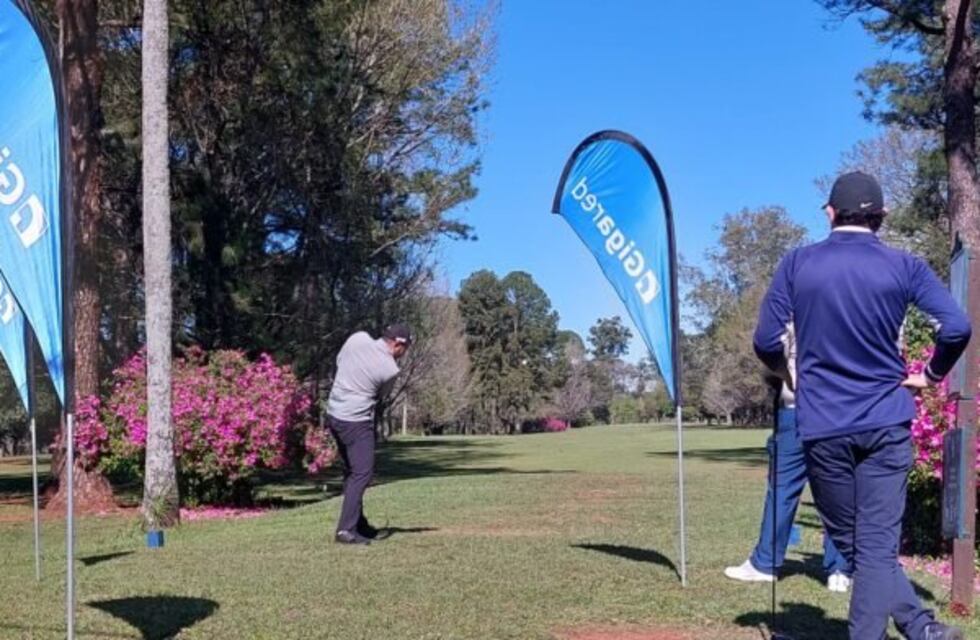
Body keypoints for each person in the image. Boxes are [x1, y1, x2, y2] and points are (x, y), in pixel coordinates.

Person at [753, 171, 970, 640]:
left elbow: (766, 340)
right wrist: (930, 375)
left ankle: (912, 628)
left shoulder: (797, 264)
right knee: (868, 545)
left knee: (858, 544)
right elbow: (956, 326)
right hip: (887, 421)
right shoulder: (905, 266)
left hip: (824, 424)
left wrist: (786, 373)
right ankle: (920, 627)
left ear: (830, 213)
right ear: (882, 217)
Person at [725, 325, 852, 592]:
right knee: (834, 490)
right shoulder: (848, 301)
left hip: (804, 407)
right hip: (834, 410)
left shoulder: (794, 307)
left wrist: (785, 375)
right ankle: (837, 570)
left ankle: (768, 564)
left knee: (787, 490)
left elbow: (768, 344)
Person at [326, 324, 412, 545]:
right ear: (398, 344)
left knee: (352, 472)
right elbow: (381, 394)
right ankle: (345, 530)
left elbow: (340, 361)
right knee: (363, 473)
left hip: (334, 414)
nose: (404, 354)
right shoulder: (390, 369)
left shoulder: (357, 338)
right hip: (356, 421)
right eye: (406, 348)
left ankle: (358, 524)